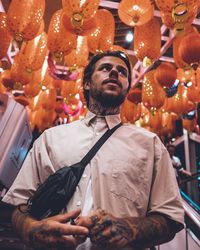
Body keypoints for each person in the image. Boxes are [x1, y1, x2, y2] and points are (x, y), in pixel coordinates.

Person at [2, 51, 184, 250]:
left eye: (122, 72)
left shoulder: (150, 145)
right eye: (106, 68)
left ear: (126, 88)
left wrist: (128, 227)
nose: (115, 72)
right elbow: (16, 205)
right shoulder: (50, 139)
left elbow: (169, 218)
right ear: (87, 83)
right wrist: (30, 229)